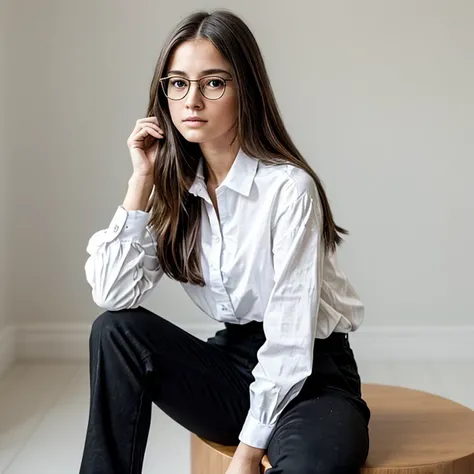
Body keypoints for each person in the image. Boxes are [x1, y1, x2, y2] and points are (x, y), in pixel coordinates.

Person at [79, 8, 371, 474]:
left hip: (312, 375)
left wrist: (247, 453)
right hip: (234, 367)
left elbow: (292, 339)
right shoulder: (175, 189)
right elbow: (112, 294)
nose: (192, 99)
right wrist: (141, 182)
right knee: (114, 331)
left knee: (316, 464)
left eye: (213, 83)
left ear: (245, 91)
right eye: (178, 83)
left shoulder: (288, 190)